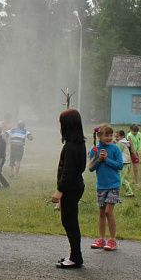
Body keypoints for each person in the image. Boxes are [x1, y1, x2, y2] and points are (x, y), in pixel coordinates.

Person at [52, 109, 87, 269]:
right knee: (70, 222)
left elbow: (68, 171)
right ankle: (74, 255)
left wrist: (60, 191)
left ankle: (75, 258)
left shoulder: (71, 146)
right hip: (76, 186)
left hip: (70, 189)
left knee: (70, 222)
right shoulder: (79, 143)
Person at [89, 125, 124, 251]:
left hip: (113, 185)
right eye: (106, 135)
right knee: (102, 213)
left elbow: (120, 165)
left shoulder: (115, 149)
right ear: (99, 136)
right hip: (101, 186)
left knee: (109, 212)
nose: (109, 138)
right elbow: (91, 168)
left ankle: (113, 240)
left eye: (111, 135)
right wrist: (99, 159)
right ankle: (101, 239)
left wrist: (106, 160)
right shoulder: (94, 150)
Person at [113, 130, 134, 197]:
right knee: (124, 179)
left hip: (123, 163)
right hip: (126, 163)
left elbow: (117, 152)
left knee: (119, 179)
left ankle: (115, 193)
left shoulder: (121, 143)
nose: (116, 138)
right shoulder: (124, 142)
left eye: (117, 137)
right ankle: (129, 192)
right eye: (115, 136)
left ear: (122, 136)